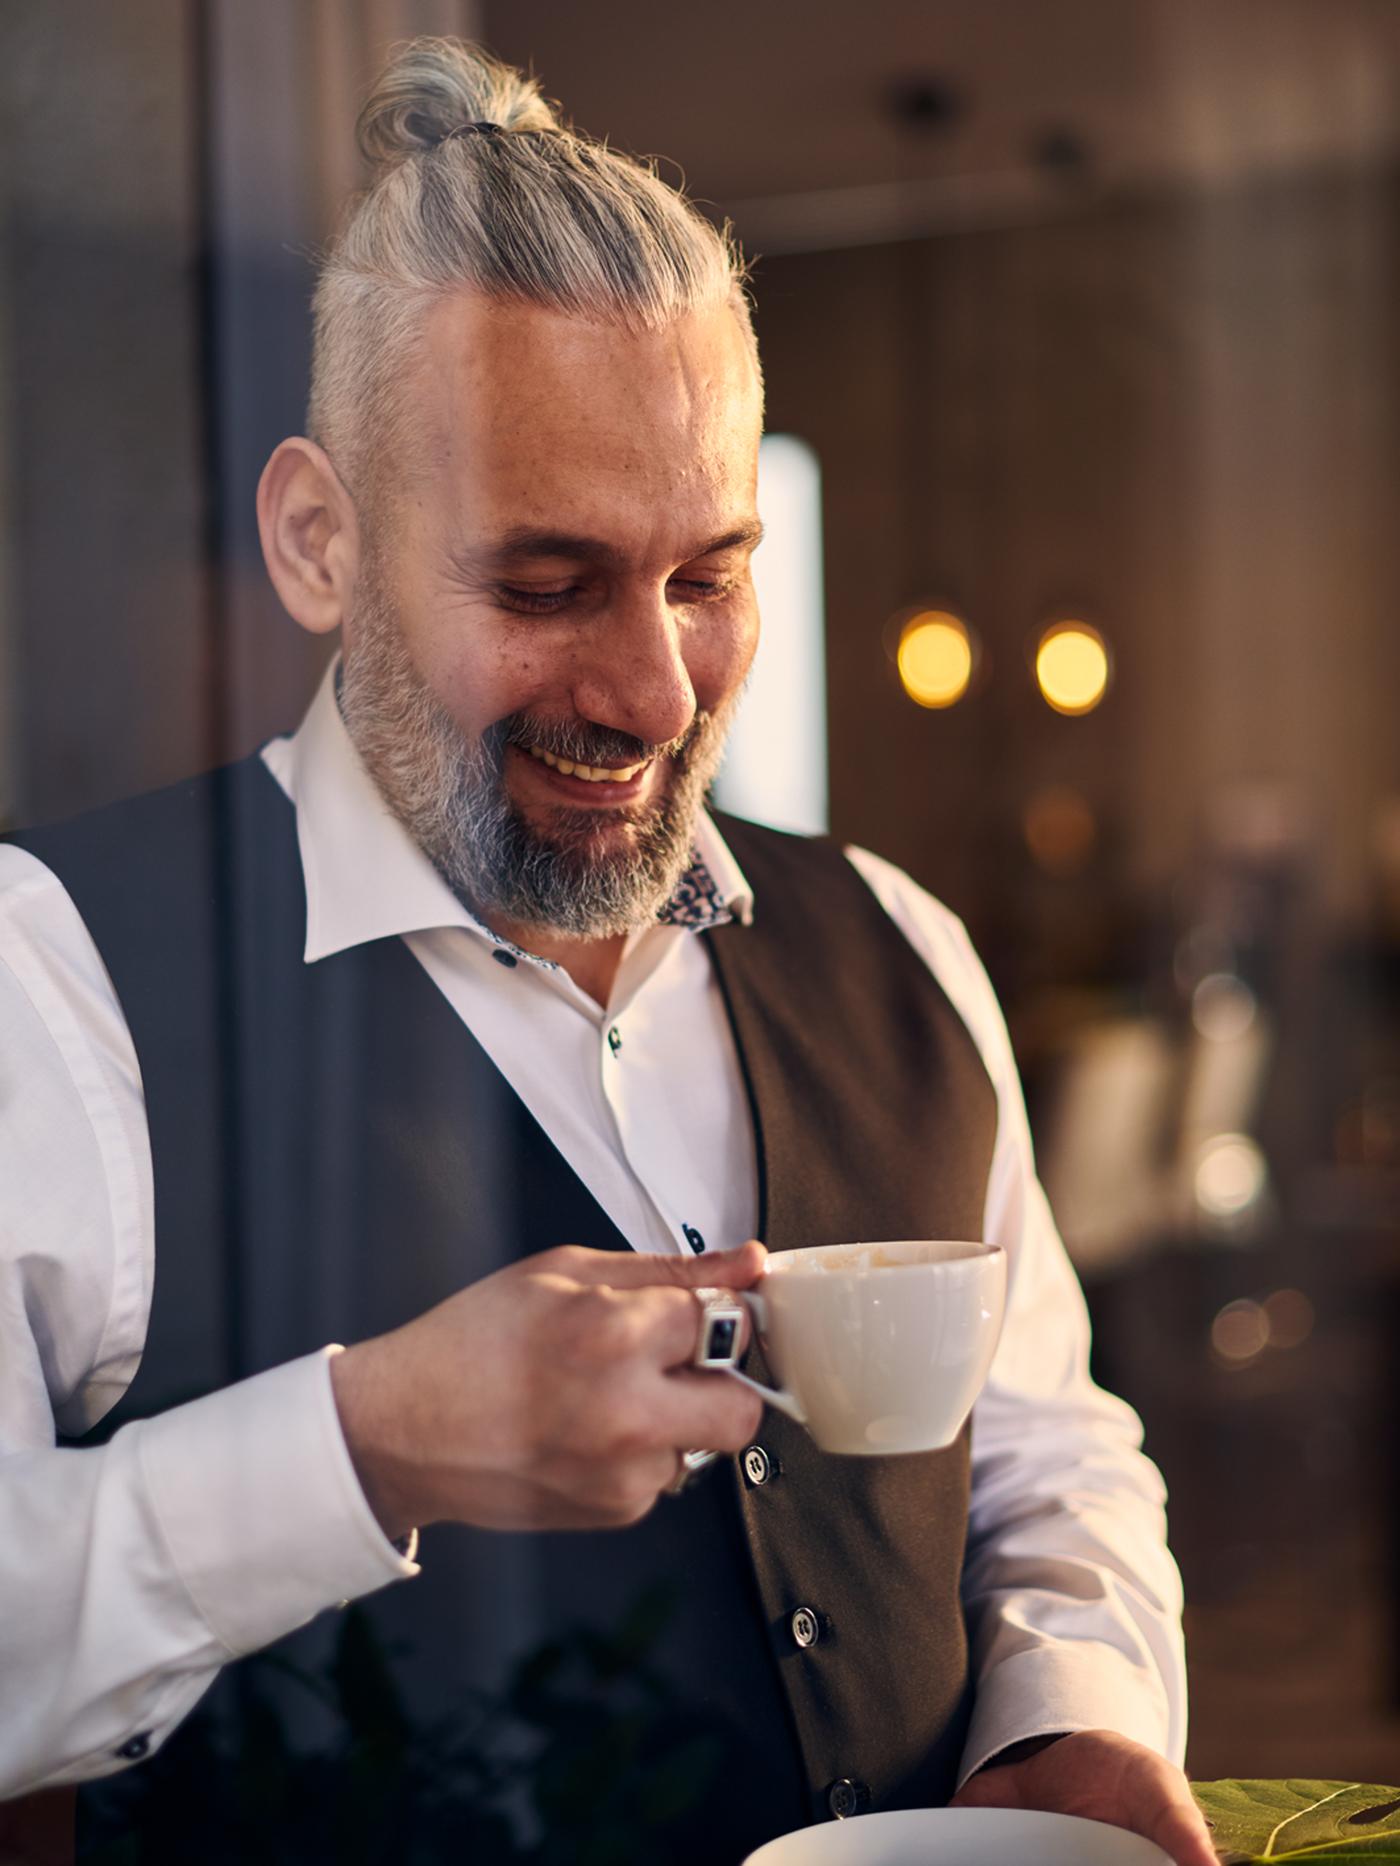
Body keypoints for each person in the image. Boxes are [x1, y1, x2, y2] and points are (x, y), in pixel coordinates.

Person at [0, 37, 1216, 1866]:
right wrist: (365, 1442)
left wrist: (1080, 1716)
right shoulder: (56, 977)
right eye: (546, 583)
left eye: (710, 574)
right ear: (320, 538)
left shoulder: (899, 943)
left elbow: (1049, 1456)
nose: (654, 692)